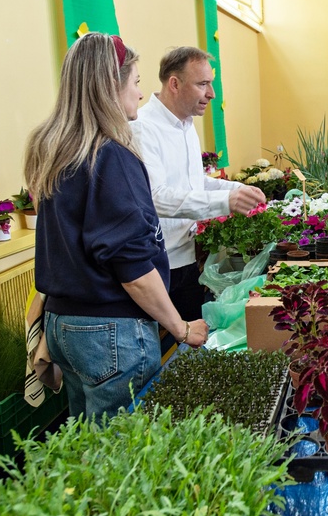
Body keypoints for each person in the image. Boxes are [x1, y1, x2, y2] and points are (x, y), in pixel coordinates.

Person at [25, 33, 209, 420]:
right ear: (112, 85)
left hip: (63, 325)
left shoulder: (52, 147)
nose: (141, 94)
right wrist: (179, 327)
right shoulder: (110, 156)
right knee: (123, 455)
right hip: (110, 330)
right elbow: (133, 268)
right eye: (137, 82)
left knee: (90, 444)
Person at [132, 47, 265, 320]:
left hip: (188, 259)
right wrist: (225, 202)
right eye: (202, 84)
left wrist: (237, 190)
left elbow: (194, 183)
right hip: (158, 264)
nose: (211, 93)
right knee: (168, 349)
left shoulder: (186, 124)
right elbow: (155, 197)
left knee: (191, 344)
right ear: (174, 84)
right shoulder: (143, 127)